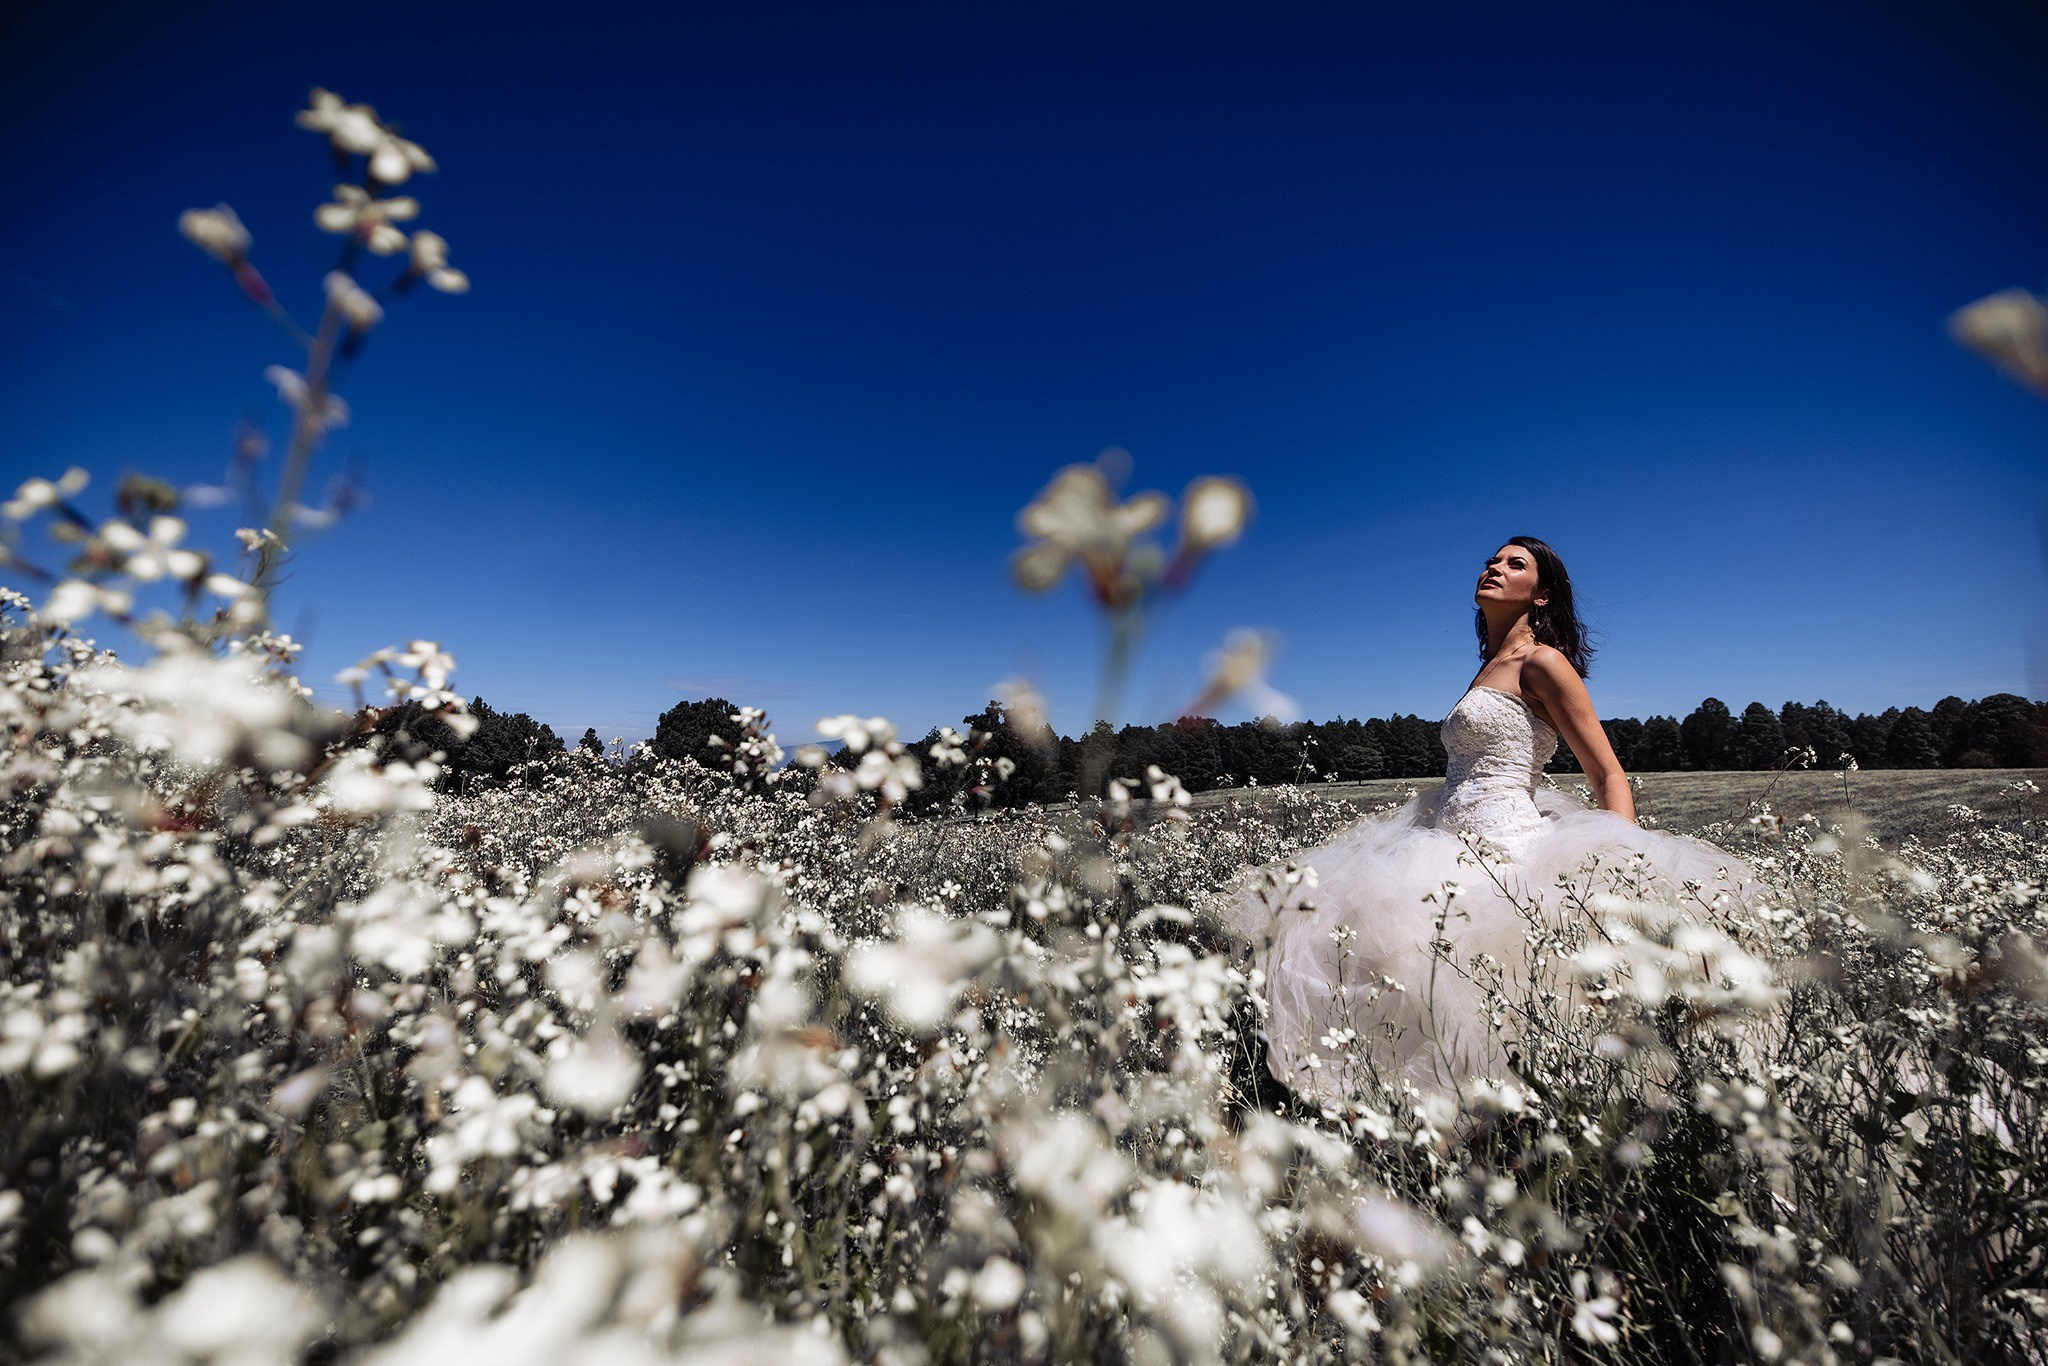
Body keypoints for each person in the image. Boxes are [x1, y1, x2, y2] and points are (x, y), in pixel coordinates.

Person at [1227, 536, 1757, 1105]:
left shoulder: (1542, 662)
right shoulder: (1489, 668)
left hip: (1508, 843)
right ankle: (1430, 1122)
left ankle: (1539, 1122)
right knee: (1398, 965)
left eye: (1514, 564)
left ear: (1543, 595)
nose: (1494, 568)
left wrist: (1623, 869)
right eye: (1492, 561)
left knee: (1497, 974)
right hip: (1444, 838)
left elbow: (1608, 775)